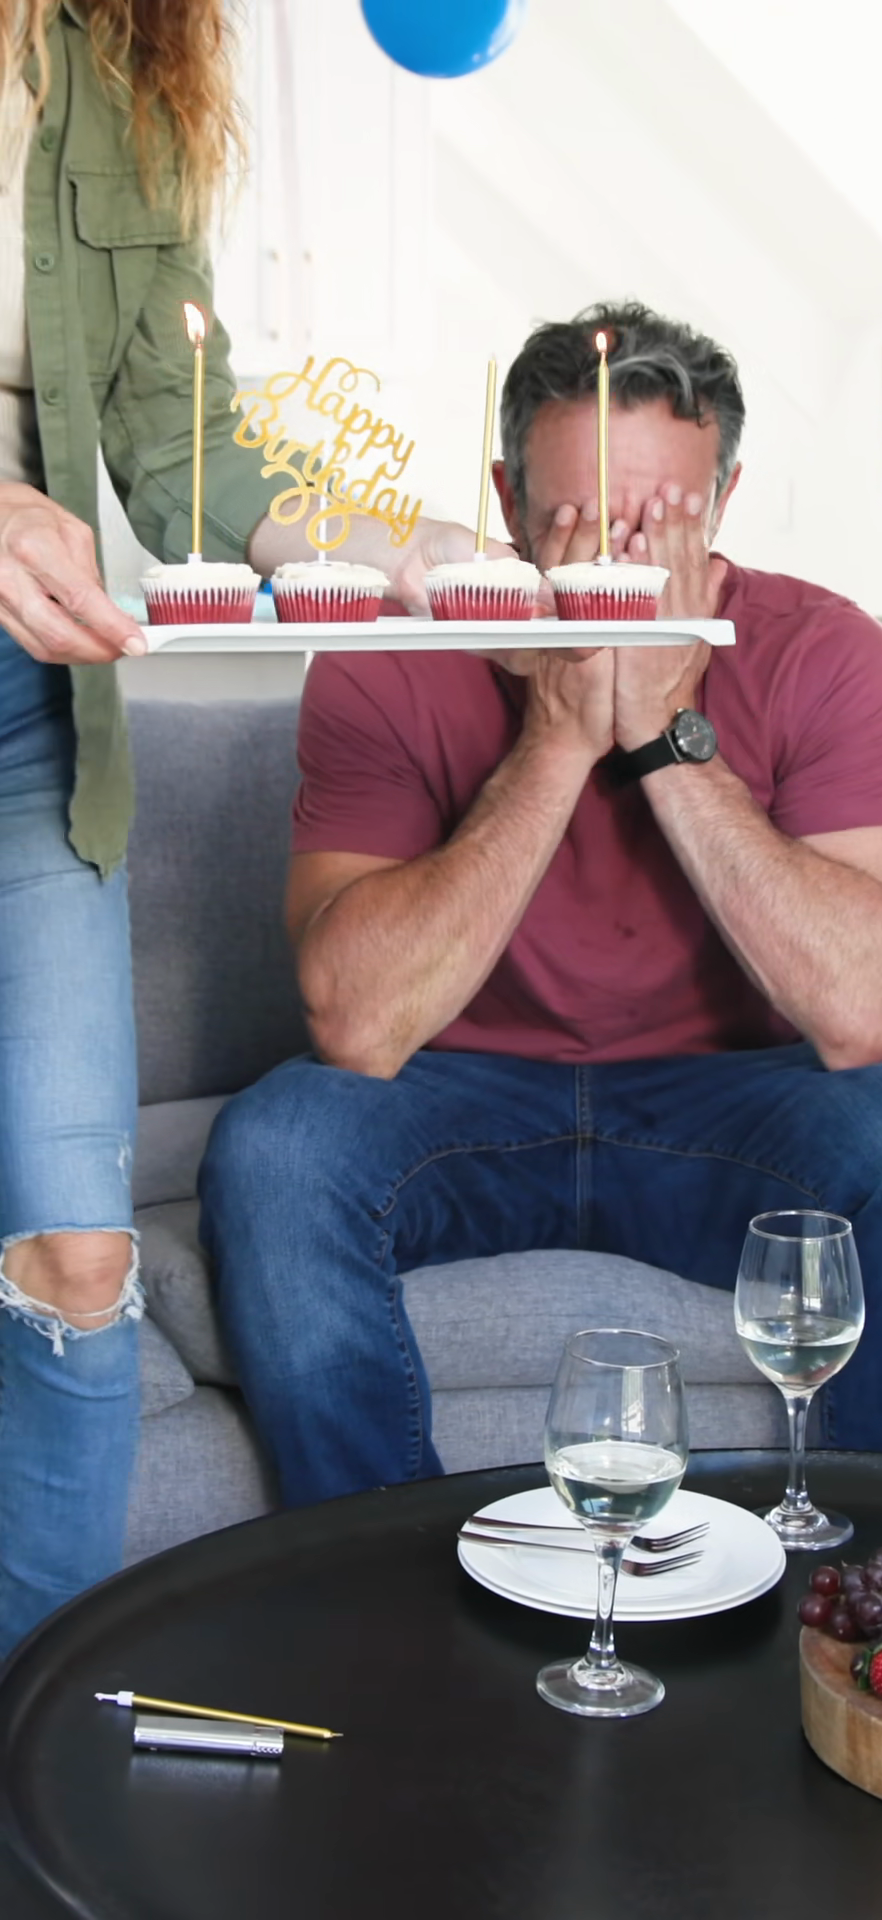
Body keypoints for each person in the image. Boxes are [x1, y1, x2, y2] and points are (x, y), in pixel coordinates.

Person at [198, 301, 882, 1504]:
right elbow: (359, 1029)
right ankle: (378, 1574)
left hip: (731, 1101)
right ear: (506, 501)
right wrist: (556, 740)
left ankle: (877, 1582)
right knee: (276, 1144)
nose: (611, 562)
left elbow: (866, 1018)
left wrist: (663, 735)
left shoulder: (824, 650)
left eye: (654, 524)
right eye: (575, 522)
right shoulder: (388, 656)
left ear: (722, 507)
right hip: (456, 1096)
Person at [0, 0, 506, 1661]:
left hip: (29, 716)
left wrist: (391, 544)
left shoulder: (123, 67)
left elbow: (174, 435)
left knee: (78, 1261)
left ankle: (27, 1744)